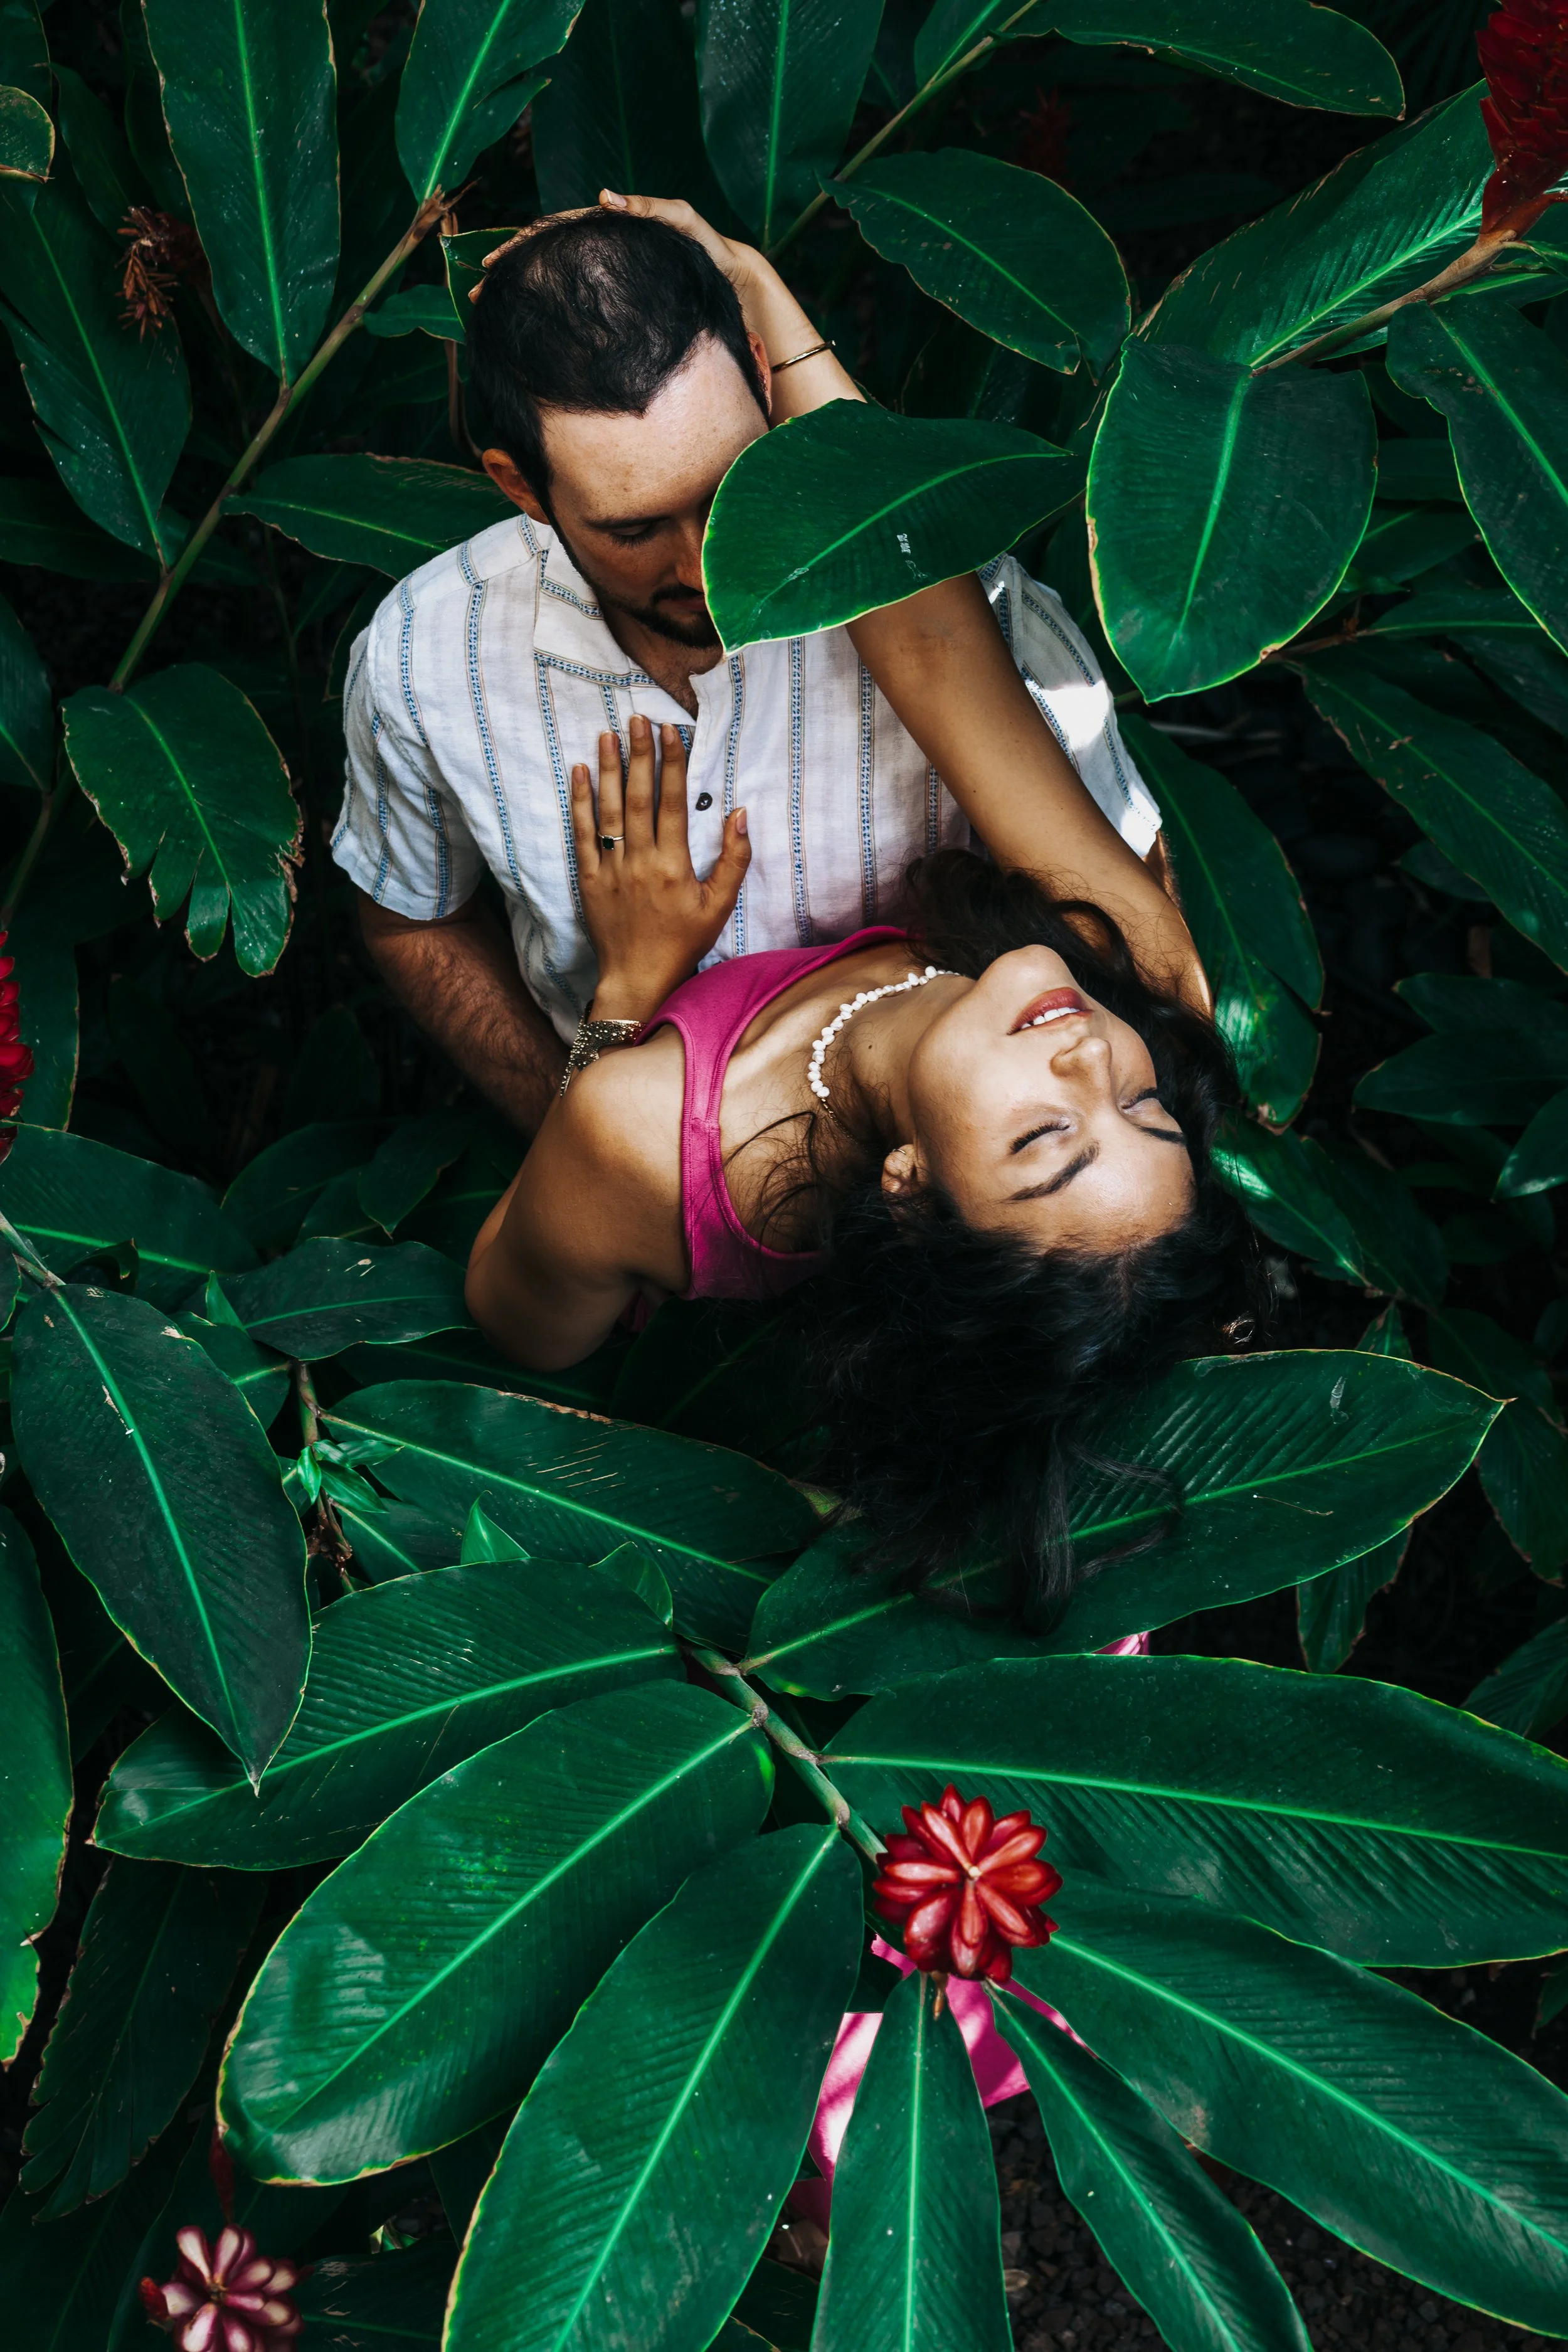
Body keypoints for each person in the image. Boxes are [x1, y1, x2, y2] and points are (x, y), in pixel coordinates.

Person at [331, 195, 1163, 1136]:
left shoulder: (969, 610)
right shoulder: (425, 657)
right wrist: (571, 1154)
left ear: (763, 378)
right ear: (518, 484)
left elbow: (1145, 938)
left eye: (734, 489)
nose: (705, 568)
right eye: (633, 529)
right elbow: (413, 917)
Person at [465, 698, 1253, 1619]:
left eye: (1044, 1139)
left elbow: (516, 1319)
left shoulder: (641, 1129)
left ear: (912, 1187)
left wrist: (628, 991)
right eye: (1143, 1104)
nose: (1090, 1057)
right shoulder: (1126, 978)